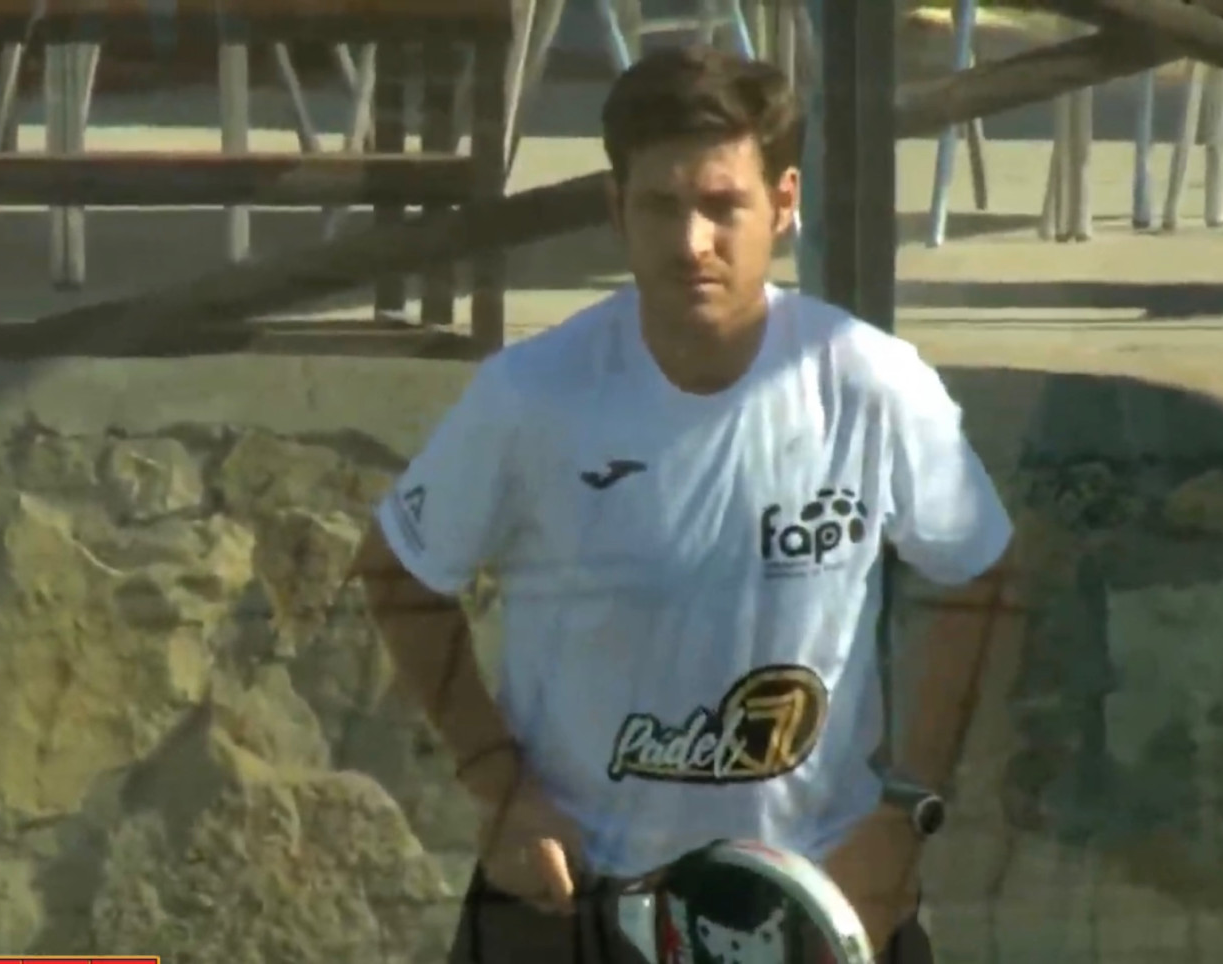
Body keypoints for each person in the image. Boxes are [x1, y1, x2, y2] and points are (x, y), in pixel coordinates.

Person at [354, 45, 1022, 964]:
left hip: (818, 896)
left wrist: (904, 816)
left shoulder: (869, 385)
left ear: (783, 203)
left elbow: (982, 575)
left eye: (722, 205)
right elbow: (397, 575)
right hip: (574, 894)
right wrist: (499, 787)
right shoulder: (531, 395)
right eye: (661, 207)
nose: (691, 242)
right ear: (615, 210)